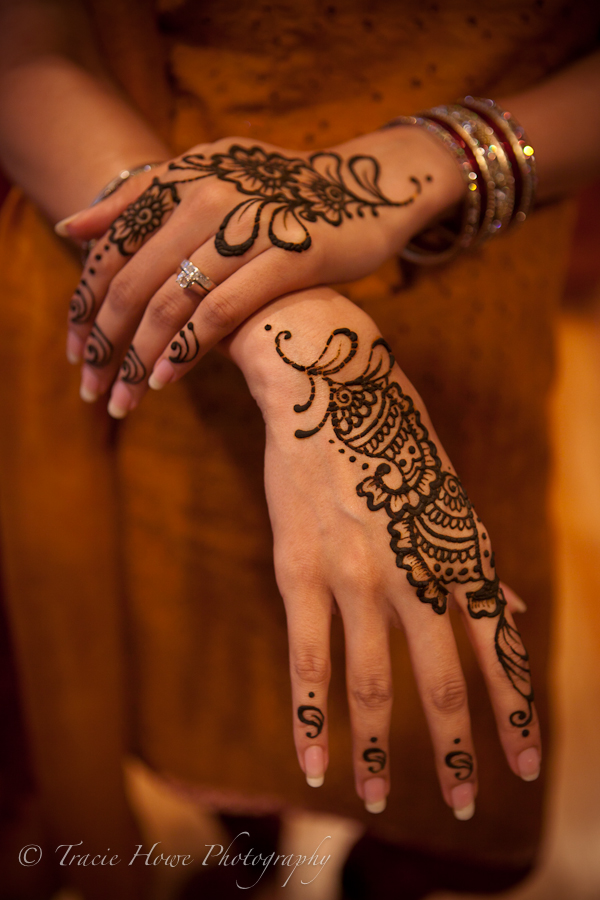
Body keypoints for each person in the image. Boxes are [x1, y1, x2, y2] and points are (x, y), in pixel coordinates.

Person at [0, 1, 599, 898]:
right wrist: (287, 314)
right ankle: (250, 867)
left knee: (432, 747)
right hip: (144, 323)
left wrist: (422, 165)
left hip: (467, 318)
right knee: (211, 715)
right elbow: (29, 59)